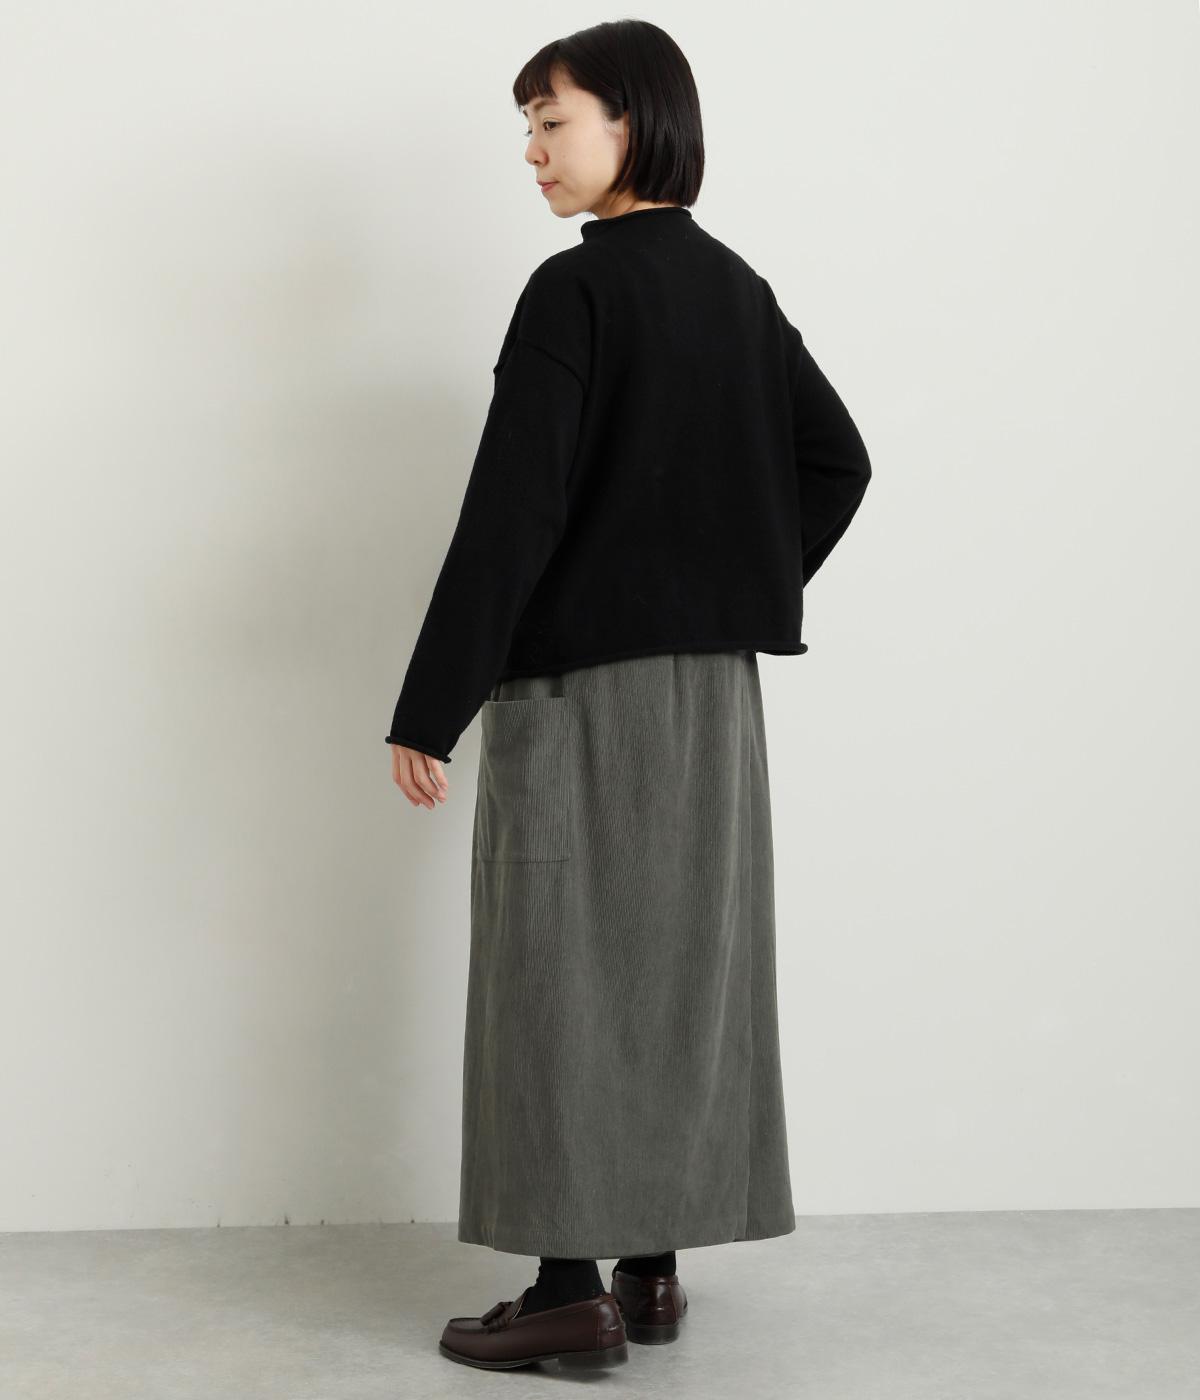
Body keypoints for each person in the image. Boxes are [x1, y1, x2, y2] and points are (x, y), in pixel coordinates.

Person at [385, 19, 872, 1372]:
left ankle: (565, 1289)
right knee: (678, 969)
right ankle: (651, 1272)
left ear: (634, 122)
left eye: (553, 121)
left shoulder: (574, 291)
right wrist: (729, 585)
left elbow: (513, 512)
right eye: (528, 128)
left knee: (557, 971)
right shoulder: (738, 291)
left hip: (580, 698)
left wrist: (432, 704)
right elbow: (838, 462)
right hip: (713, 705)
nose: (533, 151)